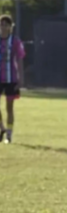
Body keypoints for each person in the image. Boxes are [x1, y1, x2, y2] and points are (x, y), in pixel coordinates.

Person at [0, 15, 25, 144]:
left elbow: (20, 59)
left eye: (6, 24)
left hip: (11, 79)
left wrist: (21, 78)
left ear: (10, 27)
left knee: (9, 108)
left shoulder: (15, 41)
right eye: (1, 24)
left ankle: (8, 134)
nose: (3, 27)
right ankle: (2, 128)